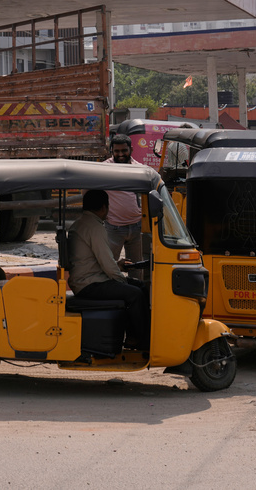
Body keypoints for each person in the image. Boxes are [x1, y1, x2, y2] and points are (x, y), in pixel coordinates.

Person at [67, 189, 150, 349]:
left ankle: (134, 336)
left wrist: (118, 265)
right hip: (89, 285)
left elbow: (99, 260)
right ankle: (143, 340)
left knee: (139, 286)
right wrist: (121, 280)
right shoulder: (94, 227)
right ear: (104, 207)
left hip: (89, 280)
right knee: (136, 294)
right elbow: (106, 263)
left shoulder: (82, 223)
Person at [103, 133, 149, 264]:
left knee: (137, 267)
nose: (120, 154)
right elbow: (87, 191)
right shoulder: (104, 169)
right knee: (109, 266)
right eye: (116, 151)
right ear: (111, 151)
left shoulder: (139, 169)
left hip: (137, 228)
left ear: (131, 150)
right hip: (113, 228)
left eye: (124, 150)